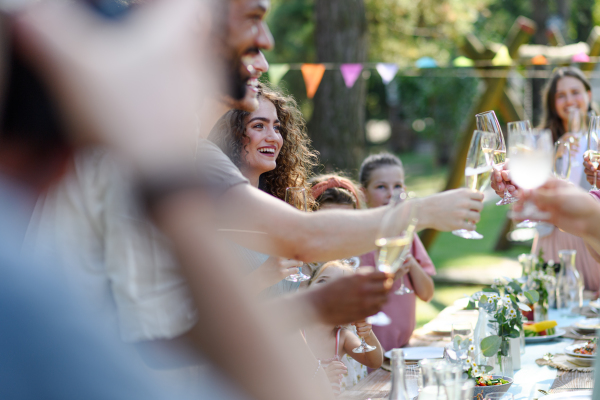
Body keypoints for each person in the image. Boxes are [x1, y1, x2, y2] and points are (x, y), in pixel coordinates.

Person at [491, 67, 600, 291]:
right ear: (553, 103)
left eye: (575, 92)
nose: (569, 100)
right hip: (553, 239)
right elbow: (531, 189)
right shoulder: (541, 141)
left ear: (588, 95)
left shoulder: (597, 140)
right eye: (561, 95)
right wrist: (555, 154)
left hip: (590, 235)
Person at [209, 82, 315, 295]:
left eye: (276, 127)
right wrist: (261, 278)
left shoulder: (281, 206)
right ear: (231, 134)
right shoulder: (208, 211)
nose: (274, 137)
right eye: (259, 126)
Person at [358, 153, 435, 350]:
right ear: (363, 193)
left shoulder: (406, 236)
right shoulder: (357, 240)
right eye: (381, 187)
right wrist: (389, 277)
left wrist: (411, 262)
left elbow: (427, 294)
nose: (391, 194)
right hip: (367, 354)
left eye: (397, 186)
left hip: (403, 350)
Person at [304, 261, 383, 396]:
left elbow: (374, 362)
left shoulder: (342, 337)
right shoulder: (296, 333)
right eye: (322, 281)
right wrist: (320, 378)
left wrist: (368, 335)